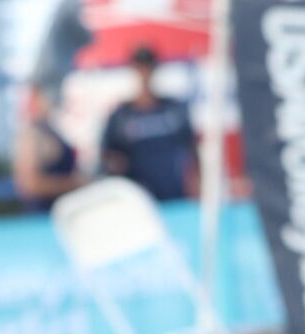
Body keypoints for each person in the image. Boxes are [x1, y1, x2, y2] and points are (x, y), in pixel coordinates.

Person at [100, 45, 197, 203]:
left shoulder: (172, 110)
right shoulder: (121, 116)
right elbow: (107, 155)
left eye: (148, 66)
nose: (144, 73)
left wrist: (196, 184)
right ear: (134, 69)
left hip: (175, 196)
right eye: (140, 67)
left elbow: (192, 150)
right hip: (138, 201)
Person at [14, 83, 85, 213]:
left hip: (63, 212)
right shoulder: (33, 135)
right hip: (44, 216)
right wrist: (75, 184)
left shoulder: (54, 129)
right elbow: (30, 184)